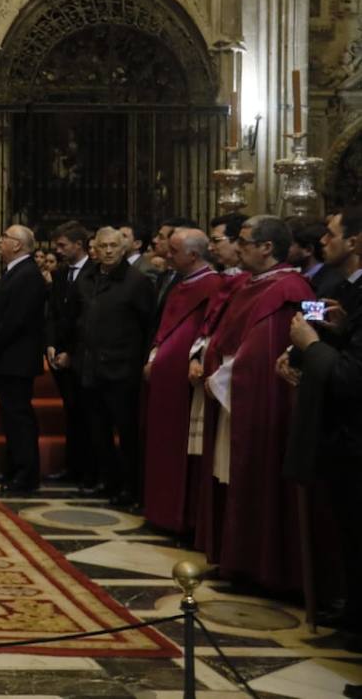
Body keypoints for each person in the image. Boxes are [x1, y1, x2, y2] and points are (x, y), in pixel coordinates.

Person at [195, 215, 312, 594]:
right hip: (231, 393)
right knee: (229, 475)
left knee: (252, 477)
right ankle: (234, 559)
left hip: (261, 402)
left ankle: (259, 566)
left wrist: (225, 375)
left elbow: (291, 343)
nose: (238, 246)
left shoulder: (292, 288)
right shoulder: (250, 284)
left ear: (267, 247)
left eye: (244, 241)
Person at [282, 204, 362, 638]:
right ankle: (352, 615)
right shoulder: (341, 287)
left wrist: (311, 346)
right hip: (340, 436)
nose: (321, 240)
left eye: (330, 234)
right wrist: (327, 336)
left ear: (354, 241)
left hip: (353, 435)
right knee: (348, 531)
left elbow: (352, 374)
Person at [141, 228, 221, 534]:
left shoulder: (212, 285)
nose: (166, 255)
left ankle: (177, 514)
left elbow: (205, 333)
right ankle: (159, 509)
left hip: (183, 383)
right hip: (164, 378)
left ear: (194, 254)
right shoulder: (179, 282)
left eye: (174, 251)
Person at [80, 226, 154, 507]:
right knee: (98, 431)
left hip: (122, 370)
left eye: (113, 246)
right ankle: (107, 480)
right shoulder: (88, 279)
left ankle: (130, 486)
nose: (108, 251)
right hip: (92, 368)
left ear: (124, 249)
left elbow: (147, 326)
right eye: (103, 246)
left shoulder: (137, 282)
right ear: (95, 250)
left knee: (126, 433)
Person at [0, 224, 47, 495]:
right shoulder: (17, 271)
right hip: (9, 358)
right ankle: (14, 468)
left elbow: (15, 320)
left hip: (17, 359)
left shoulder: (28, 275)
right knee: (10, 417)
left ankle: (25, 475)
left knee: (19, 418)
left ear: (17, 245)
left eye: (4, 237)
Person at [44, 220, 96, 487]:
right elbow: (53, 313)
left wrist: (71, 354)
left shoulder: (94, 273)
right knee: (71, 414)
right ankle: (72, 467)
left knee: (86, 416)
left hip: (81, 358)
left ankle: (89, 471)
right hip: (59, 356)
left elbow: (87, 319)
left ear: (79, 244)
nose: (58, 250)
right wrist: (51, 344)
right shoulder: (61, 274)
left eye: (63, 245)